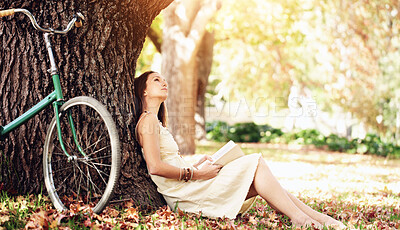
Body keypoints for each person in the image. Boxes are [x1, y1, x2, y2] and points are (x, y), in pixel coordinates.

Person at [133, 71, 345, 229]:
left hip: (188, 185)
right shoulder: (148, 121)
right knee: (256, 163)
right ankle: (301, 219)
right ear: (143, 90)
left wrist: (195, 165)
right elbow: (155, 167)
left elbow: (168, 161)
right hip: (184, 195)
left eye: (163, 79)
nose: (164, 82)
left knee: (260, 181)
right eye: (156, 80)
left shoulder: (156, 122)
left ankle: (318, 218)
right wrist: (196, 174)